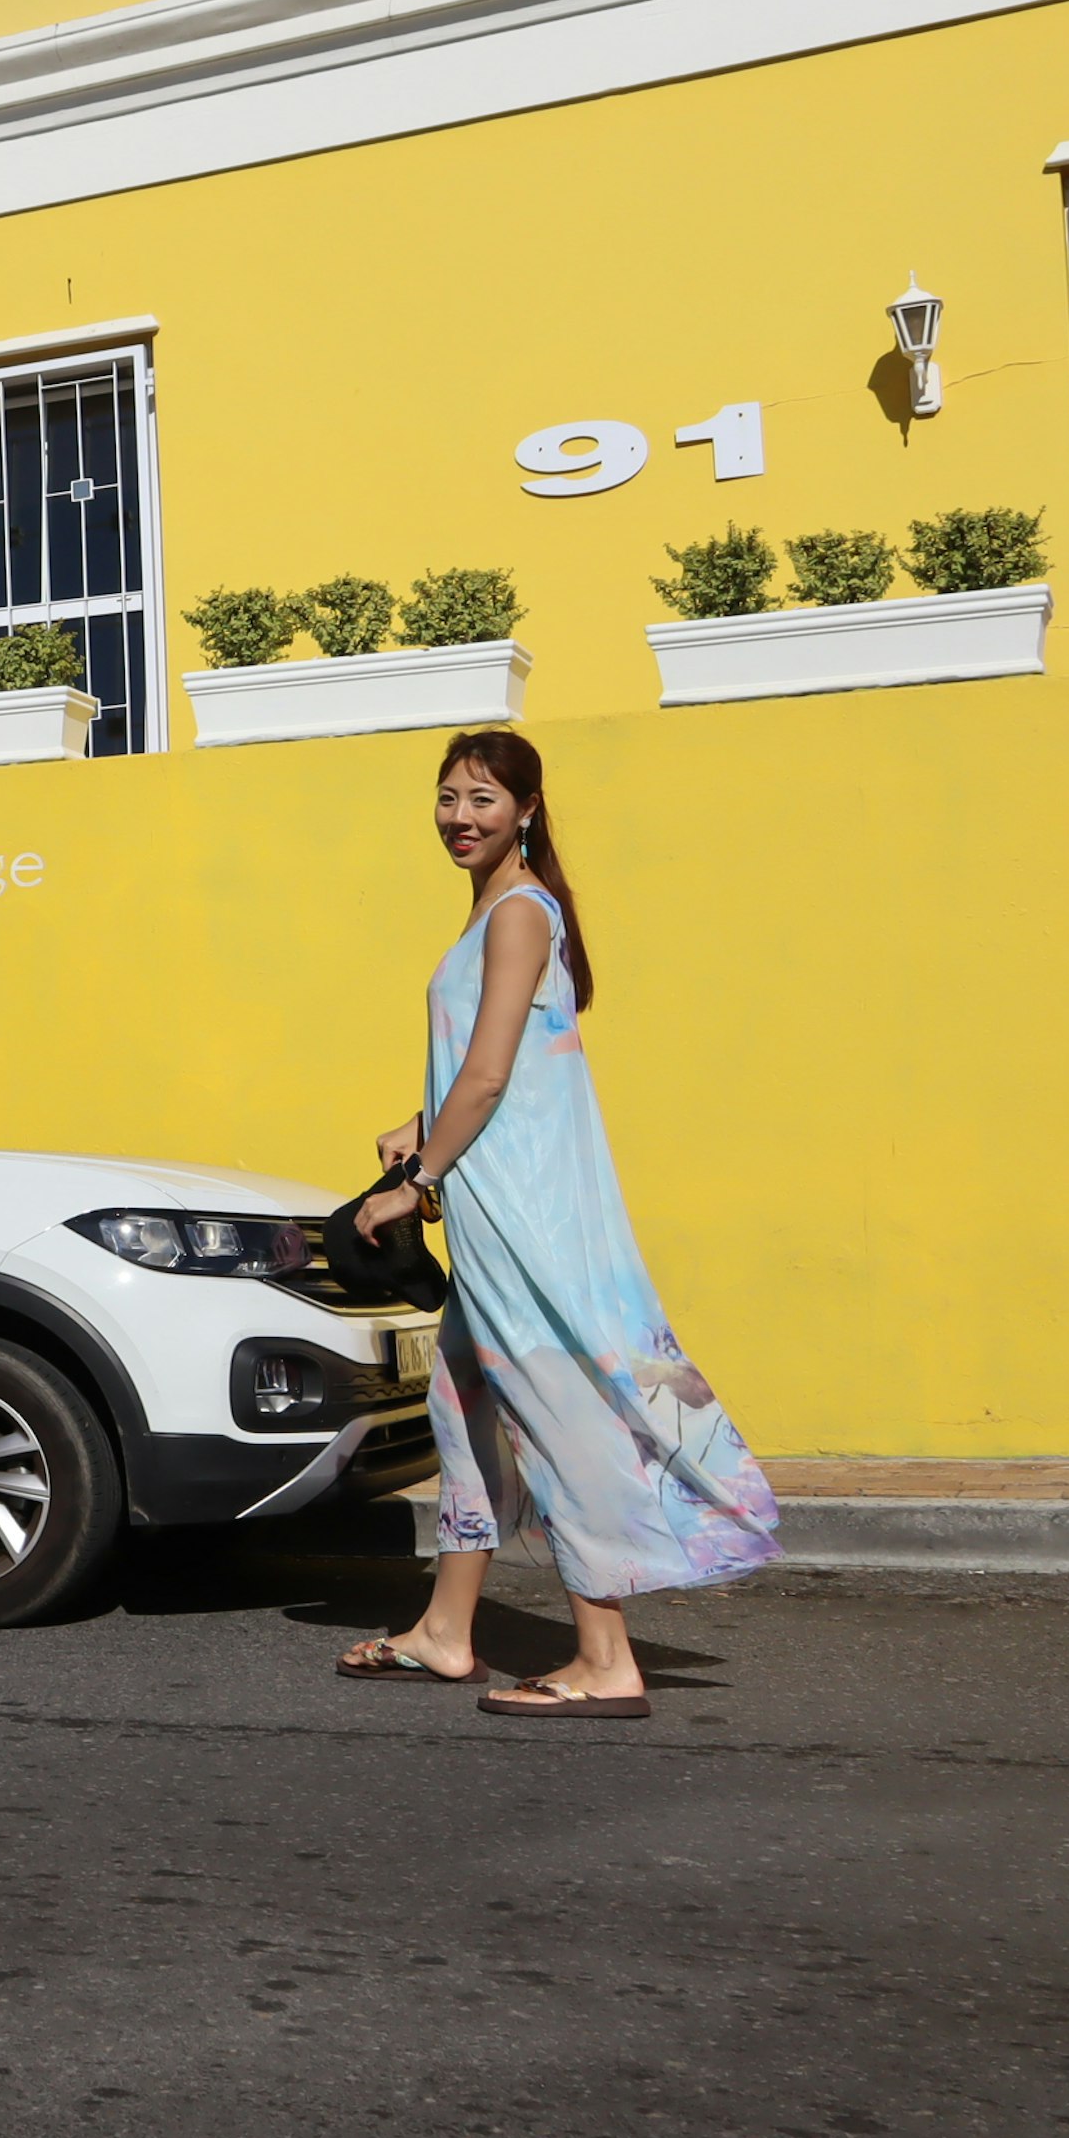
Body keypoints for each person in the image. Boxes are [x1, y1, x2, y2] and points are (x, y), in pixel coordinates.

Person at [335, 730, 782, 1716]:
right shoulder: (496, 910)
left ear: (527, 809)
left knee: (551, 1410)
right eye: (449, 796)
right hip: (500, 1192)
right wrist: (421, 1114)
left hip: (523, 1209)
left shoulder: (520, 912)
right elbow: (502, 1062)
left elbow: (490, 1074)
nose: (462, 815)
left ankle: (604, 1655)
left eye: (484, 798)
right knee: (463, 1403)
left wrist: (418, 1174)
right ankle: (448, 1631)